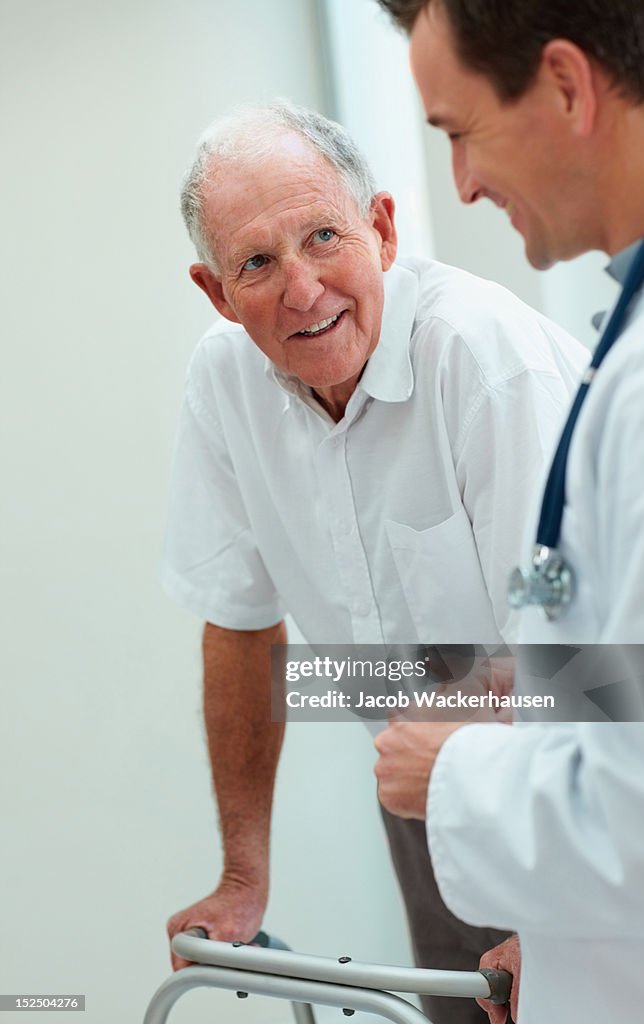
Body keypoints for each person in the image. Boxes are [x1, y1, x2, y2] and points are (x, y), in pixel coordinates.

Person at [162, 100, 587, 1024]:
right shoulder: (223, 382)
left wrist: (558, 921)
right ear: (215, 291)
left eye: (323, 237)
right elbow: (238, 622)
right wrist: (243, 878)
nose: (303, 290)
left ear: (383, 230)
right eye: (257, 265)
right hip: (429, 794)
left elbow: (580, 658)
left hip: (602, 774)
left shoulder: (486, 362)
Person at [372, 2, 644, 1022]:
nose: (459, 182)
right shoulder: (640, 334)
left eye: (458, 130)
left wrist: (451, 770)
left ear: (564, 84)